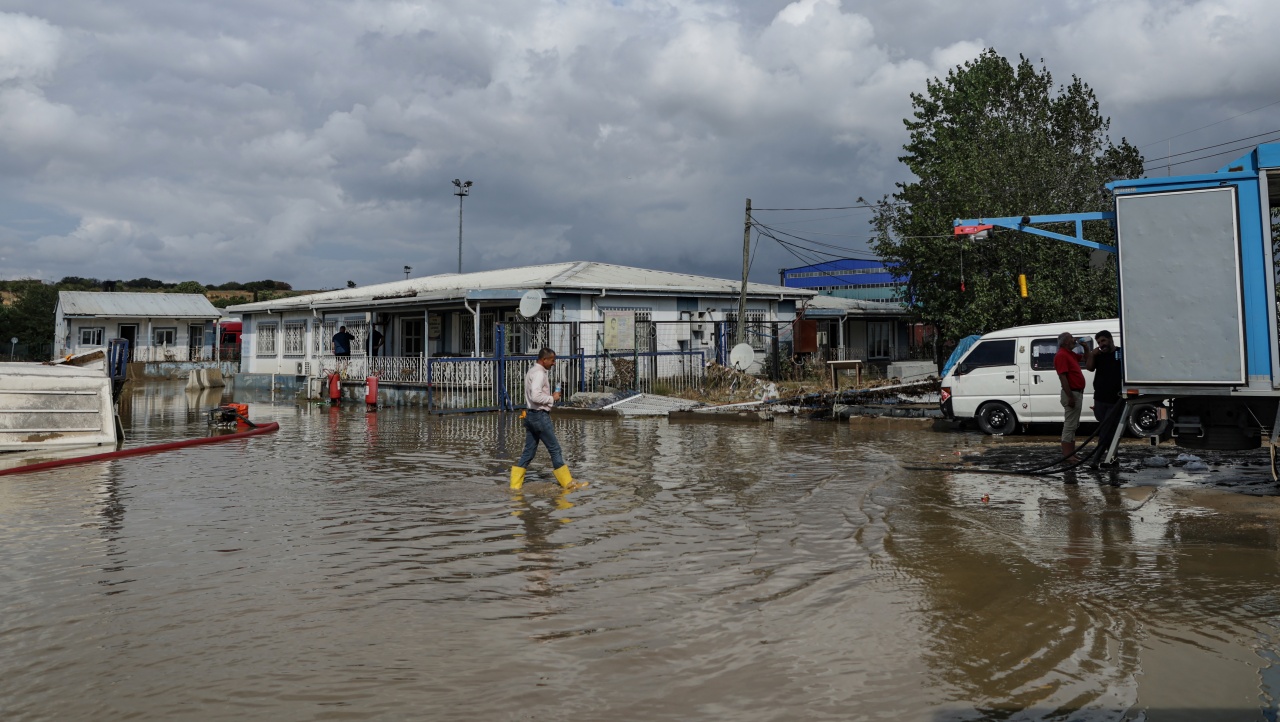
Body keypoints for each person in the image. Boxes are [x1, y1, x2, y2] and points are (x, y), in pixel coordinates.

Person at [510, 347, 584, 492]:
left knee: (528, 452)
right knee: (555, 449)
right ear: (544, 360)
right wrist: (553, 398)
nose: (554, 363)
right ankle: (568, 483)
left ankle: (514, 486)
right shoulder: (539, 374)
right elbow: (535, 396)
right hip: (539, 416)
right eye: (552, 360)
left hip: (530, 415)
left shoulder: (532, 371)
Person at [1086, 329, 1124, 446]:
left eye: (1103, 341)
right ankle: (1108, 455)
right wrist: (1092, 354)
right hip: (1100, 398)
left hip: (1115, 399)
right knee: (1104, 425)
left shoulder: (1120, 353)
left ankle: (1103, 454)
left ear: (1111, 339)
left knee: (1109, 427)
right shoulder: (1098, 355)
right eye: (1099, 342)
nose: (1101, 344)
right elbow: (1089, 368)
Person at [1054, 331, 1087, 460]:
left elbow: (1085, 358)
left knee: (1073, 424)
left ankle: (1071, 454)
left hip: (1076, 393)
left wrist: (1086, 347)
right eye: (1072, 338)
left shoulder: (1070, 354)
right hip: (1072, 393)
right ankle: (1068, 455)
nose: (1074, 340)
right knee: (1070, 425)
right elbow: (1063, 377)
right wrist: (1070, 396)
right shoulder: (1061, 355)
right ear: (1066, 342)